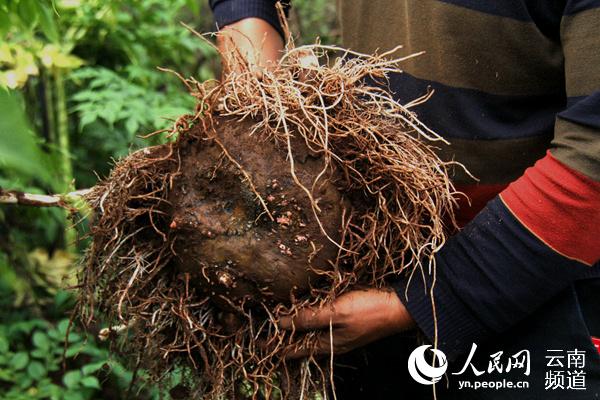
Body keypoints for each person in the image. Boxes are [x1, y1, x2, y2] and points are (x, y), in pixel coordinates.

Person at [208, 1, 600, 398]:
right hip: (366, 270)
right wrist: (257, 89)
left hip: (541, 290)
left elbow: (593, 155)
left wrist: (423, 302)